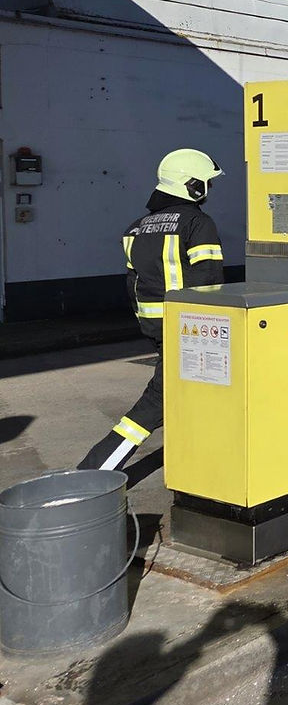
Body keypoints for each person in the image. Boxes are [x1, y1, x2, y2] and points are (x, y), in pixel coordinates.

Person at [79, 149, 224, 471]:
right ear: (194, 186)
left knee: (193, 394)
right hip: (191, 329)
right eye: (207, 184)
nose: (209, 190)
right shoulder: (197, 223)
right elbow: (210, 281)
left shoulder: (137, 227)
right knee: (155, 403)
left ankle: (200, 456)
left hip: (156, 328)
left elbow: (133, 284)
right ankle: (93, 474)